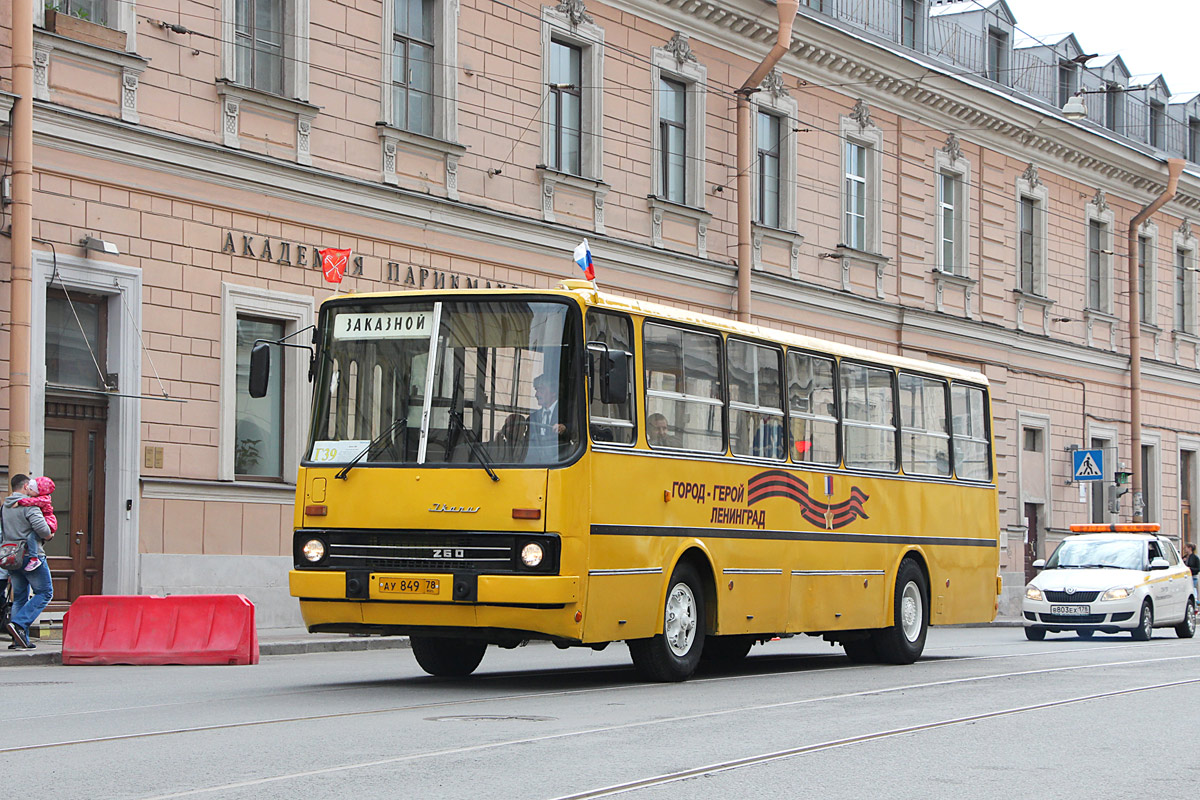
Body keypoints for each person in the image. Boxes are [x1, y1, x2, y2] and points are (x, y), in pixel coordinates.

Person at [2, 474, 54, 650]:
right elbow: (43, 530)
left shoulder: (5, 507)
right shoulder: (30, 506)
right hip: (31, 555)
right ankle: (19, 623)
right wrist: (49, 535)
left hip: (11, 556)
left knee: (20, 598)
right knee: (45, 592)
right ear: (25, 486)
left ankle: (18, 640)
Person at [16, 477, 56, 572]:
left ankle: (34, 559)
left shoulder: (43, 499)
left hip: (48, 521)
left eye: (31, 489)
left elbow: (32, 502)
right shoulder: (40, 498)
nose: (28, 491)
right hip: (47, 520)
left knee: (31, 537)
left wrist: (19, 502)